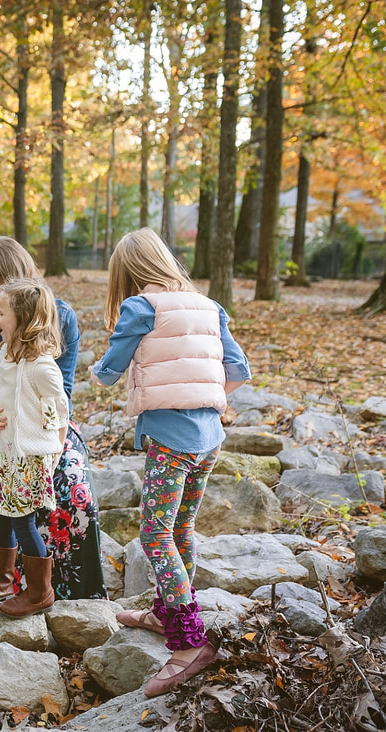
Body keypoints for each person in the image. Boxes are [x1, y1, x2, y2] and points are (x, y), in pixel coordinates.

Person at [90, 228, 251, 696]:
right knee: (182, 528)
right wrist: (205, 400)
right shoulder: (207, 304)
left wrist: (96, 372)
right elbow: (238, 369)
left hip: (169, 438)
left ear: (127, 273)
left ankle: (189, 643)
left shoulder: (140, 307)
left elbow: (109, 369)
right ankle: (166, 611)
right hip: (210, 438)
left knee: (155, 533)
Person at [0, 236, 106, 605]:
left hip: (43, 431)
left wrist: (53, 445)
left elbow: (60, 394)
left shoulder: (59, 315)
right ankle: (1, 580)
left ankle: (72, 594)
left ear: (8, 282)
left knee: (74, 495)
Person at [0, 278, 70, 617]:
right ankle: (2, 578)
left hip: (27, 457)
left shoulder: (42, 368)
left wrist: (51, 455)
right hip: (1, 453)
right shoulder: (5, 354)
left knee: (23, 520)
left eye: (4, 312)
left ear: (23, 320)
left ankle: (40, 591)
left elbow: (59, 414)